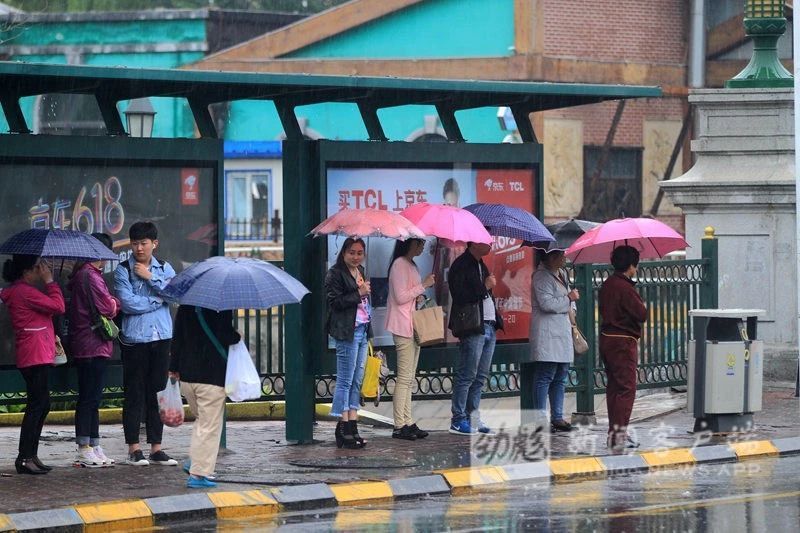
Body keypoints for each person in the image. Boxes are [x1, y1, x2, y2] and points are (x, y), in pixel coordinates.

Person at [114, 221, 178, 466]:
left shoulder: (164, 268)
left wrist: (151, 278)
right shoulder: (122, 270)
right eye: (135, 243)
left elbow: (174, 295)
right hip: (135, 339)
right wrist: (157, 301)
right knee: (134, 393)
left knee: (157, 392)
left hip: (160, 337)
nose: (139, 248)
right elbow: (127, 303)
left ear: (154, 244)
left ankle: (156, 447)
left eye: (143, 243)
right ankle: (134, 448)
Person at [0, 254, 65, 474]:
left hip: (36, 353)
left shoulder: (21, 290)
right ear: (27, 271)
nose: (41, 271)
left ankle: (31, 454)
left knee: (42, 403)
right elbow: (58, 306)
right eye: (38, 268)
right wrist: (50, 281)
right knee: (37, 404)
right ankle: (25, 457)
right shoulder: (24, 292)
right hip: (34, 354)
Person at [169, 305, 240, 488]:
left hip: (187, 377)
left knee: (202, 422)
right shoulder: (221, 308)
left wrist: (173, 367)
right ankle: (198, 475)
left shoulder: (185, 306)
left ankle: (195, 461)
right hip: (211, 377)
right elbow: (226, 336)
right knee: (209, 426)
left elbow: (177, 338)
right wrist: (238, 336)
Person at [67, 233, 120, 467]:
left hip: (91, 344)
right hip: (91, 344)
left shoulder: (85, 274)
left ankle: (94, 445)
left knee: (93, 397)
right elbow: (108, 307)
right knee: (89, 397)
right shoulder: (90, 275)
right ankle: (84, 448)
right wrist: (115, 303)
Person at [447, 241, 503, 435]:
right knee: (467, 374)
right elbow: (460, 296)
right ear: (474, 242)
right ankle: (458, 419)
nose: (490, 243)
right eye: (485, 240)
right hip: (472, 327)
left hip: (488, 325)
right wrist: (484, 286)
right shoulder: (461, 265)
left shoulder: (481, 264)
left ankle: (473, 416)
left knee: (480, 377)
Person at [598, 245, 648, 452]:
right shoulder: (625, 288)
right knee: (626, 389)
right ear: (631, 265)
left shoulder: (608, 284)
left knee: (614, 388)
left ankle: (615, 432)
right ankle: (619, 434)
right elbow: (641, 314)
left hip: (607, 340)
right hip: (623, 342)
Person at [385, 238, 435, 441]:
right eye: (420, 243)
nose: (422, 246)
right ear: (410, 243)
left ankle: (407, 420)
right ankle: (399, 424)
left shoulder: (411, 264)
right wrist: (423, 285)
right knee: (404, 378)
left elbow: (410, 295)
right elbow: (400, 296)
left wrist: (420, 294)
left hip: (413, 325)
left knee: (409, 377)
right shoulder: (398, 264)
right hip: (402, 326)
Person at [325, 237, 371, 449]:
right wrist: (358, 293)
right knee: (345, 378)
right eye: (352, 252)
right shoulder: (335, 274)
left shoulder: (360, 271)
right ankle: (342, 426)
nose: (355, 256)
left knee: (357, 379)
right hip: (347, 332)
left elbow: (363, 303)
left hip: (362, 330)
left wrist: (364, 292)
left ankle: (353, 423)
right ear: (344, 253)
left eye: (359, 252)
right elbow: (335, 302)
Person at [530, 249, 580, 432]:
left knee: (561, 375)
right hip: (548, 333)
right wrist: (568, 298)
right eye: (561, 256)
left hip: (563, 330)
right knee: (545, 375)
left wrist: (571, 304)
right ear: (551, 257)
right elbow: (547, 304)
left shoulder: (562, 274)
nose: (564, 259)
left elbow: (569, 301)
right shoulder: (540, 277)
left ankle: (557, 416)